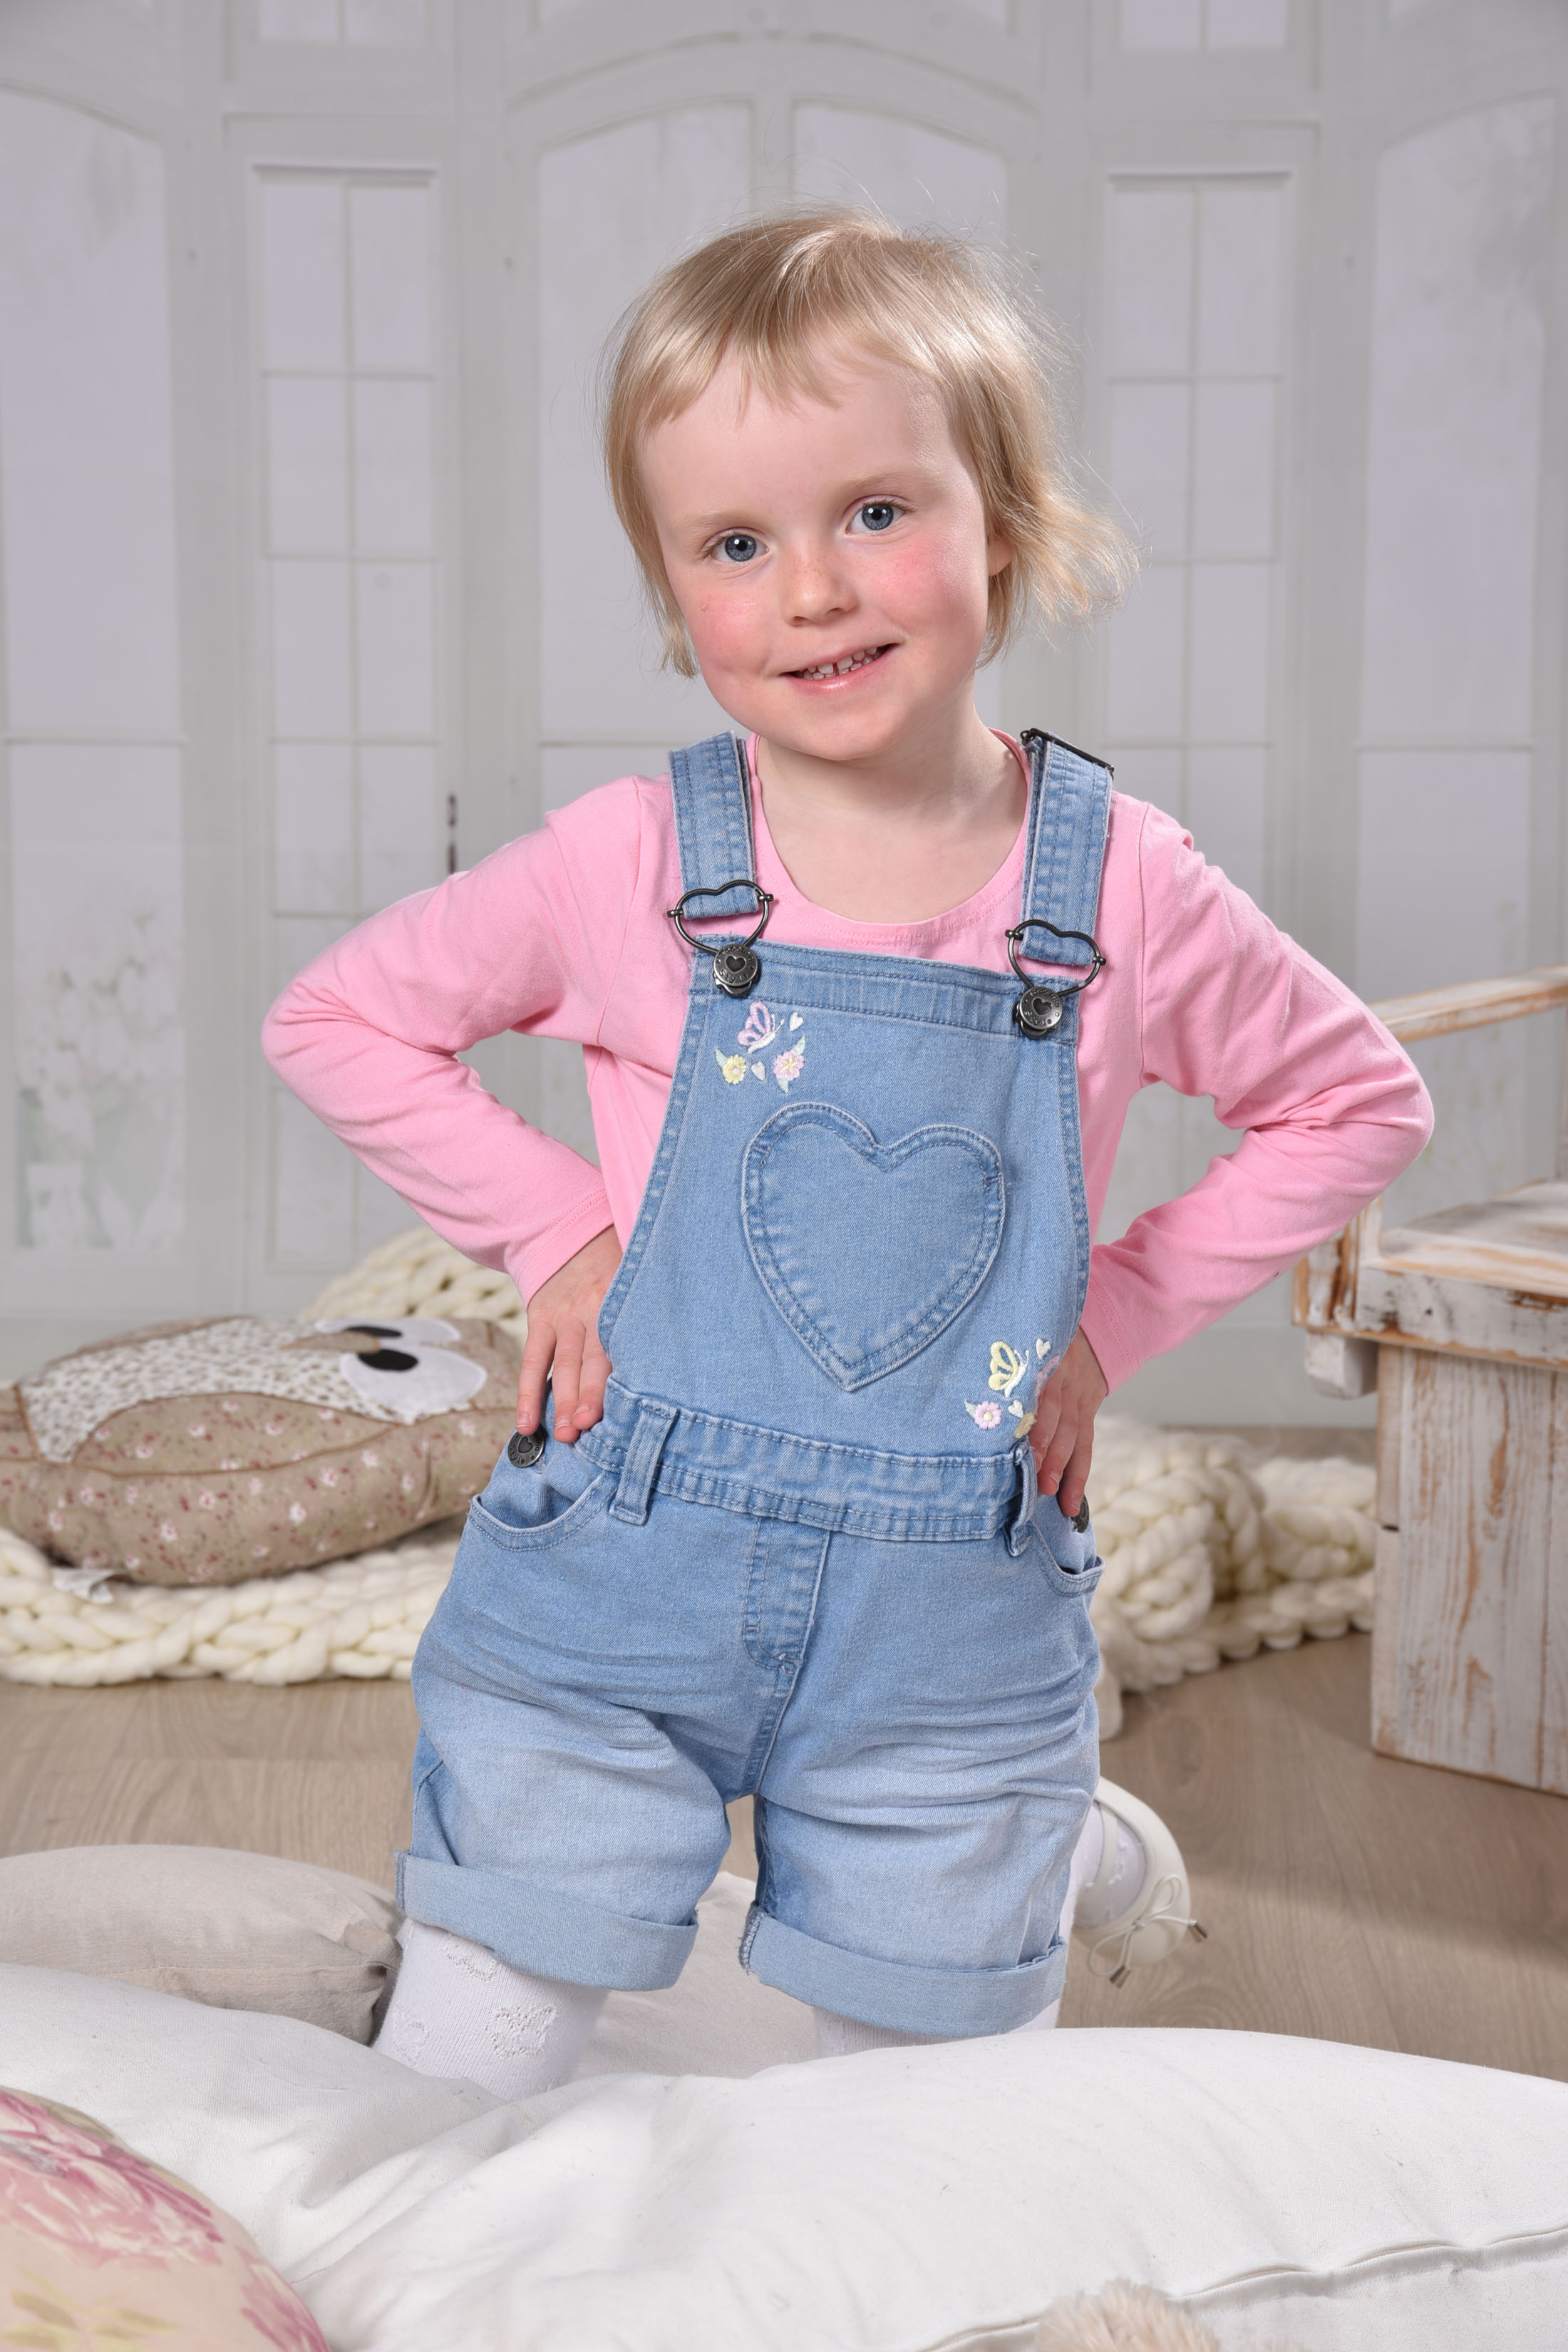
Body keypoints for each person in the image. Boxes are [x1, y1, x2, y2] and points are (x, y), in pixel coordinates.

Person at [264, 211, 1430, 2097]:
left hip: (947, 1626)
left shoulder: (1124, 888)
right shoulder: (639, 859)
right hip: (618, 1591)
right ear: (672, 585)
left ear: (1005, 521)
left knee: (917, 2137)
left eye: (876, 511)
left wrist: (1112, 1319)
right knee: (460, 2083)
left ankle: (1043, 1838)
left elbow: (1359, 1099)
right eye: (734, 544)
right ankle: (1050, 1842)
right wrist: (563, 1235)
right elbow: (335, 1017)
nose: (811, 589)